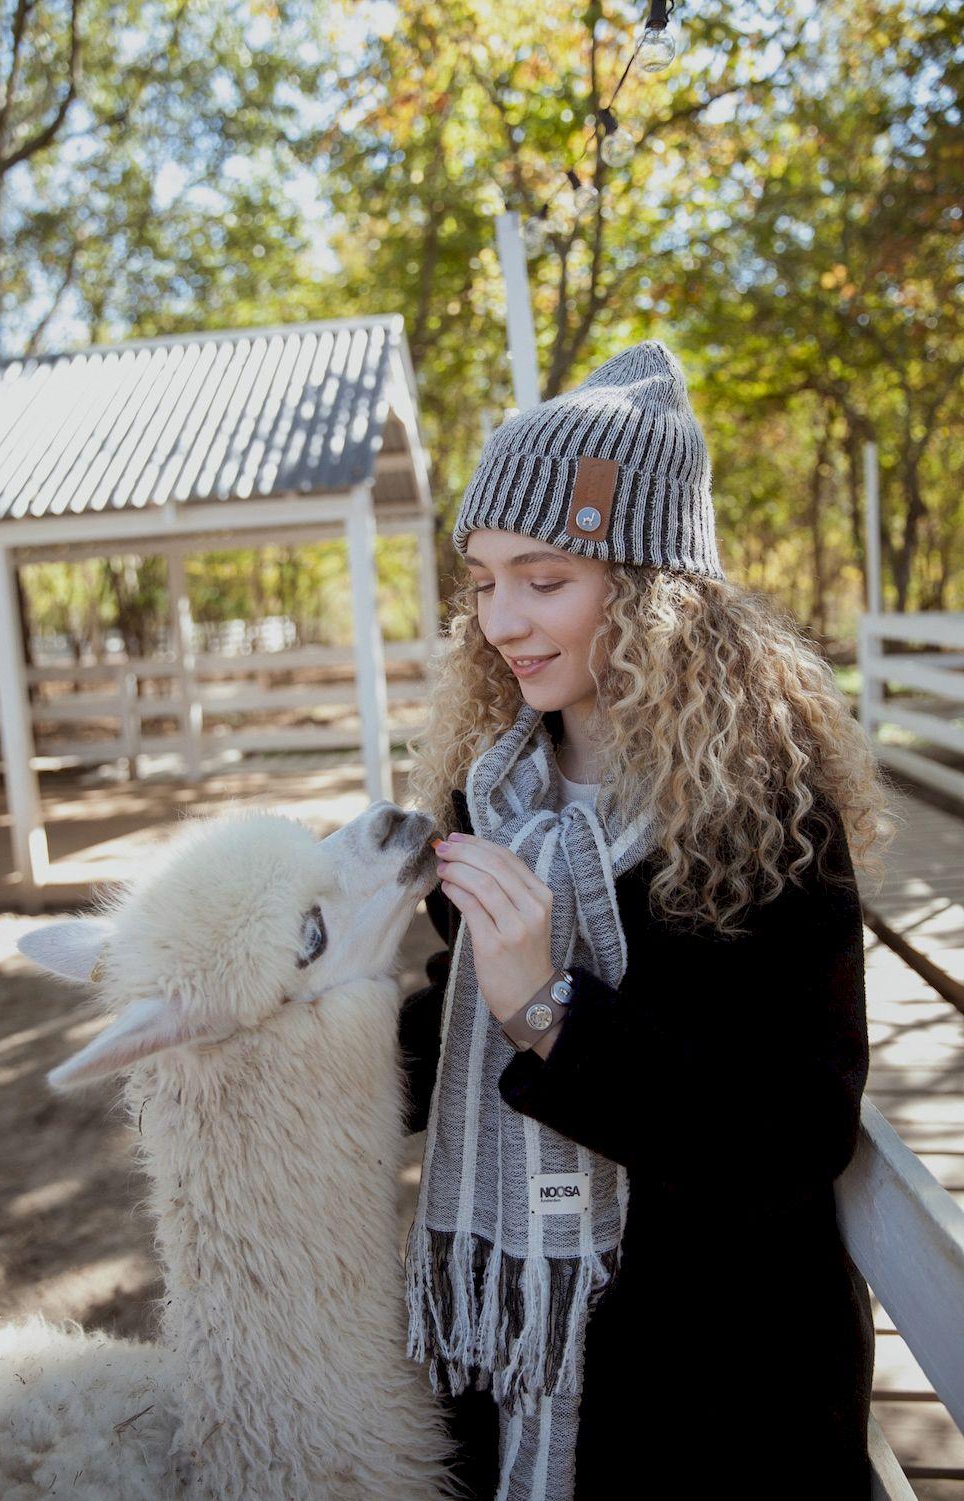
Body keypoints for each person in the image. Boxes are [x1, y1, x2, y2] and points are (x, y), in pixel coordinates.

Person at [398, 340, 896, 1501]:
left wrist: (549, 1013)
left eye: (544, 577)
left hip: (712, 1388)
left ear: (652, 585)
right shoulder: (488, 793)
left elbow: (792, 1131)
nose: (500, 621)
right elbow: (436, 1027)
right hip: (502, 1344)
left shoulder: (764, 813)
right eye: (480, 580)